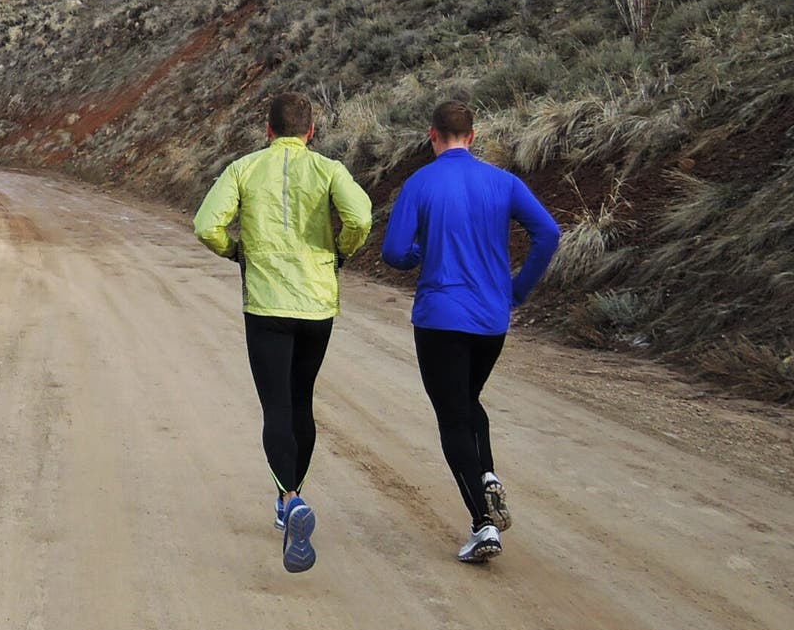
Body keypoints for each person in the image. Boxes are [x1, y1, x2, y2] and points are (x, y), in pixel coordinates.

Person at [195, 92, 372, 573]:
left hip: (267, 302)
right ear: (311, 131)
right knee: (301, 401)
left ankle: (290, 501)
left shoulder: (243, 169)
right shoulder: (330, 170)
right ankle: (290, 497)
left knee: (275, 404)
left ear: (268, 130)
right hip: (317, 303)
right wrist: (340, 253)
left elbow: (206, 224)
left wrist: (236, 253)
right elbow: (361, 217)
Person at [381, 100, 560, 564]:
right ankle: (486, 474)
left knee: (452, 416)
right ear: (474, 136)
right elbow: (549, 233)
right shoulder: (504, 182)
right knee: (467, 401)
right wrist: (516, 290)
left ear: (432, 135)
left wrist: (421, 250)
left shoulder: (420, 183)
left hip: (441, 317)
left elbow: (395, 252)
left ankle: (482, 524)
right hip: (491, 319)